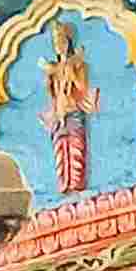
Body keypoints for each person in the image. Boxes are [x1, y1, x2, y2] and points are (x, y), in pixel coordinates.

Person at [39, 19, 100, 193]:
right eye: (56, 42)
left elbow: (81, 87)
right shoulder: (56, 68)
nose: (59, 46)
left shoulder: (79, 64)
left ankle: (76, 183)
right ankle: (64, 183)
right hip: (59, 113)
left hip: (73, 110)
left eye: (62, 41)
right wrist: (50, 75)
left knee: (76, 148)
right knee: (60, 148)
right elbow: (52, 93)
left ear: (69, 42)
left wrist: (71, 69)